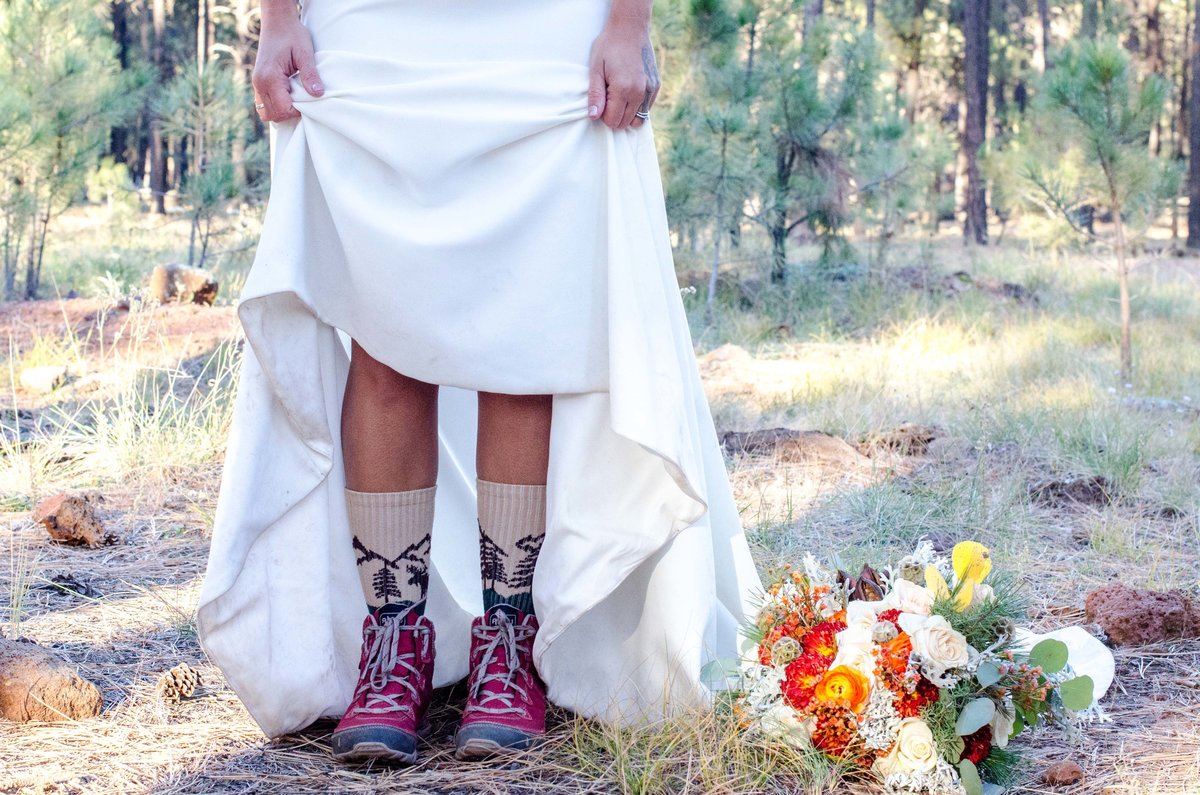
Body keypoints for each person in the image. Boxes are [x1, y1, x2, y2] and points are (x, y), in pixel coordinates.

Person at [196, 0, 762, 768]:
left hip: (539, 29)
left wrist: (628, 21)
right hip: (374, 30)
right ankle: (394, 638)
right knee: (382, 324)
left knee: (521, 322)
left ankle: (509, 639)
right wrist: (275, 17)